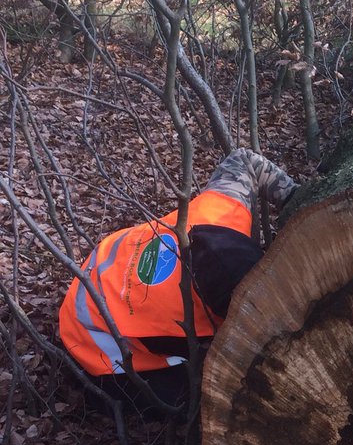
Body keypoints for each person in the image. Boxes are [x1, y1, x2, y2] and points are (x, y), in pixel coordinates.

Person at [59, 149, 298, 410]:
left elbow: (244, 160)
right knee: (192, 402)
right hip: (89, 336)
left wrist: (296, 198)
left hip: (110, 257)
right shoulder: (172, 321)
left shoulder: (222, 211)